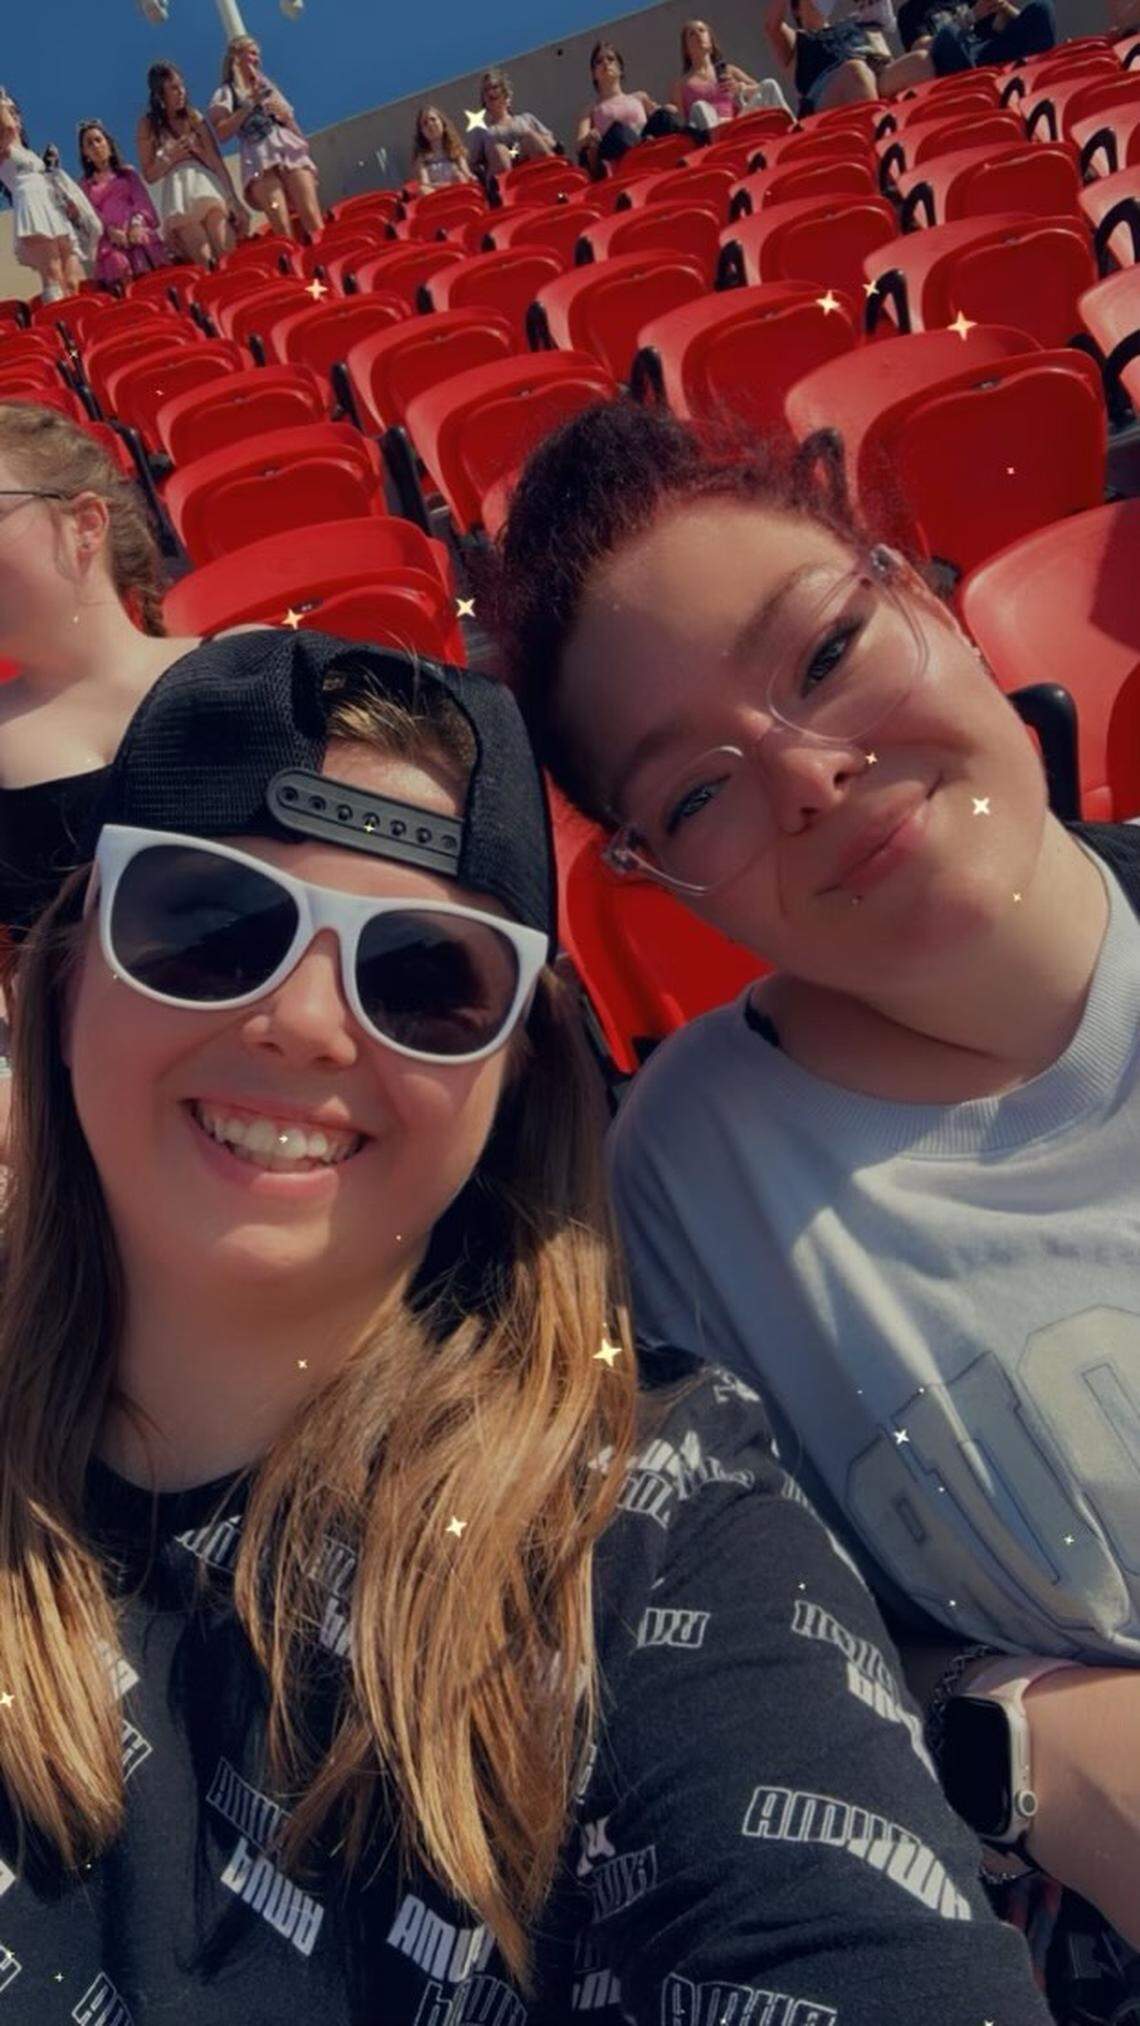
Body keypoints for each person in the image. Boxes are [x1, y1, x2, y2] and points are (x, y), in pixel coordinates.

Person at [0, 628, 1053, 2023]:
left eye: (428, 975)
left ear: (516, 1071)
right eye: (207, 921)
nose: (307, 1023)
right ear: (67, 979)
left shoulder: (654, 1531)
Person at [490, 400, 1140, 2020]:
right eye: (697, 792)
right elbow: (741, 1672)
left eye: (828, 647)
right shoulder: (690, 1191)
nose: (807, 772)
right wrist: (1006, 1735)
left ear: (921, 590)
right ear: (654, 879)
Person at [209, 34, 322, 243]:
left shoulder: (267, 85)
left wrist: (286, 117)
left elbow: (293, 127)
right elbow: (222, 132)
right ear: (236, 56)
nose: (256, 59)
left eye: (257, 55)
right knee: (281, 226)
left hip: (286, 147)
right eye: (251, 53)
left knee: (311, 214)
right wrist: (248, 106)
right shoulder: (225, 93)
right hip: (258, 156)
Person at [138, 60, 246, 267]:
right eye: (173, 88)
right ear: (160, 93)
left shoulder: (193, 116)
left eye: (182, 86)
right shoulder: (147, 124)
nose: (181, 92)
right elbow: (150, 175)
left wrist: (234, 202)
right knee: (205, 260)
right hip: (178, 192)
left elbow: (216, 162)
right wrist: (170, 156)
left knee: (227, 249)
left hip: (205, 183)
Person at [0, 90, 97, 301]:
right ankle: (58, 323)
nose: (13, 115)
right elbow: (7, 126)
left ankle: (79, 317)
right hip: (31, 204)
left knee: (72, 276)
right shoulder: (3, 145)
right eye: (9, 110)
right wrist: (1, 100)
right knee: (52, 272)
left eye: (15, 111)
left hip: (51, 205)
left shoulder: (28, 152)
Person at [77, 121, 167, 288]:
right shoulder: (85, 185)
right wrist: (111, 231)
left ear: (108, 143)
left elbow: (141, 200)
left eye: (98, 140)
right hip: (109, 238)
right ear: (85, 153)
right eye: (89, 143)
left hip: (136, 230)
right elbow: (90, 214)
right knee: (117, 263)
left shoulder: (127, 173)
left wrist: (136, 225)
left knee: (146, 257)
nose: (95, 146)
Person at [763, 0, 897, 111]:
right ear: (797, 11)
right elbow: (772, 26)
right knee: (855, 70)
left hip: (873, 77)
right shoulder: (796, 42)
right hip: (826, 100)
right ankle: (878, 135)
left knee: (917, 61)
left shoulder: (852, 24)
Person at [576, 41, 686, 175]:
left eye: (611, 59)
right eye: (599, 61)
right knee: (618, 130)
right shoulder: (592, 108)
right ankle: (641, 148)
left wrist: (669, 110)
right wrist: (589, 137)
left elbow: (660, 118)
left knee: (664, 115)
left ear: (620, 68)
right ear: (594, 73)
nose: (605, 63)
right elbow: (580, 143)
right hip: (617, 153)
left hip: (646, 142)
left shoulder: (639, 97)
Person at [669, 18, 792, 134]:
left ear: (711, 41)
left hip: (737, 122)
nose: (698, 35)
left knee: (769, 84)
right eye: (692, 34)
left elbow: (760, 90)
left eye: (702, 30)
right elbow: (681, 123)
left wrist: (740, 88)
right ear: (686, 48)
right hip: (712, 131)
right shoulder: (681, 84)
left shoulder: (729, 71)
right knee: (699, 107)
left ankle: (794, 129)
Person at [888, 0, 1055, 84]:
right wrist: (970, 18)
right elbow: (922, 48)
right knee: (949, 35)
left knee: (1040, 7)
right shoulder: (911, 11)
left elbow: (1000, 27)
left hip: (990, 49)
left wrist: (1004, 9)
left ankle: (1041, 70)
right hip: (958, 64)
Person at [466, 69, 557, 182]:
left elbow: (551, 142)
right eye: (486, 90)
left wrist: (522, 147)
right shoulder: (482, 131)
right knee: (499, 150)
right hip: (502, 175)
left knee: (530, 137)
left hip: (532, 162)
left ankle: (550, 178)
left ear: (504, 92)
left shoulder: (526, 118)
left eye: (494, 87)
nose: (490, 93)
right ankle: (506, 188)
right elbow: (473, 163)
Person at [411, 104, 477, 190]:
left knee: (460, 176)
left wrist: (470, 177)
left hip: (459, 189)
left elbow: (466, 173)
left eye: (433, 119)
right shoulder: (422, 157)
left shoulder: (455, 149)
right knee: (423, 189)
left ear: (442, 122)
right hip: (436, 193)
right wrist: (445, 186)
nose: (430, 124)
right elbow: (425, 183)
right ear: (422, 131)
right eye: (425, 123)